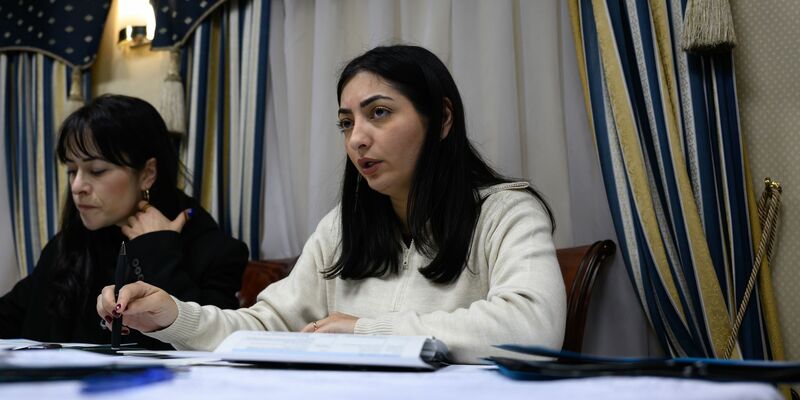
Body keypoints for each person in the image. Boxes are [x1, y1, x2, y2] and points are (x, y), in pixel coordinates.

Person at [97, 46, 566, 363]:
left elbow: (532, 328)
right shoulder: (343, 226)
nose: (358, 138)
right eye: (346, 122)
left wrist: (366, 333)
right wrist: (174, 316)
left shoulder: (506, 212)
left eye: (379, 113)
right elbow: (266, 325)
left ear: (441, 118)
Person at [0, 94, 248, 349]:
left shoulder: (212, 250)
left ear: (147, 173)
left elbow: (214, 346)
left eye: (97, 171)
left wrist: (158, 251)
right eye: (71, 171)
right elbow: (11, 316)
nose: (77, 186)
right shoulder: (71, 243)